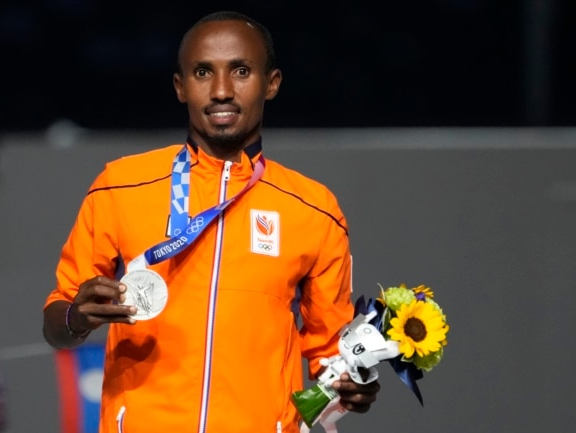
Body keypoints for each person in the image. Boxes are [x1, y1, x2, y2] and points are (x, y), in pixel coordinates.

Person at [42, 10, 380, 433]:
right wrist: (76, 317)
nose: (222, 90)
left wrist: (353, 387)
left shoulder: (314, 209)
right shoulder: (120, 186)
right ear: (181, 87)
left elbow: (330, 356)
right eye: (203, 72)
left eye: (240, 71)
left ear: (271, 83)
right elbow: (57, 323)